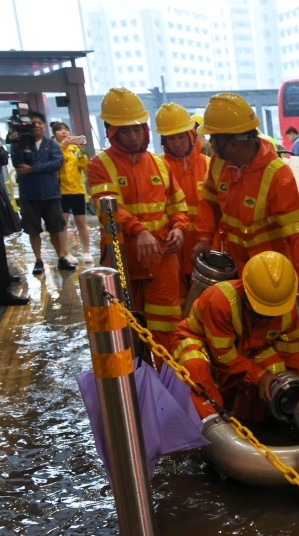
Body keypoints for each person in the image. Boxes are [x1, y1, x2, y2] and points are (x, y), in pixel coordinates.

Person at [194, 93, 299, 325]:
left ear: (231, 143)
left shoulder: (277, 175)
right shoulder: (220, 164)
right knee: (237, 329)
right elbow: (210, 202)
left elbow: (298, 233)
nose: (210, 144)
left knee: (278, 331)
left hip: (271, 275)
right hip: (235, 268)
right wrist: (203, 237)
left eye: (213, 138)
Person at [87, 88, 189, 355]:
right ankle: (135, 379)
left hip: (163, 261)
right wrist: (139, 230)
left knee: (167, 328)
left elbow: (177, 205)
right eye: (125, 131)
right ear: (112, 132)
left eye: (136, 129)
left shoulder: (160, 164)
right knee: (125, 332)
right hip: (123, 261)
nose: (133, 137)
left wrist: (179, 227)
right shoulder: (99, 165)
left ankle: (168, 379)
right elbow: (107, 207)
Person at [171, 251, 299, 420]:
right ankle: (210, 424)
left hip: (243, 349)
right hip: (203, 344)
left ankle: (248, 420)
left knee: (276, 368)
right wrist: (260, 376)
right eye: (260, 313)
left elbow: (295, 354)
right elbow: (223, 357)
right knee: (194, 366)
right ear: (246, 292)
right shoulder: (219, 301)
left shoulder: (284, 309)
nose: (265, 319)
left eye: (271, 315)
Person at [155, 102, 212, 298]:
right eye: (171, 138)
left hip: (206, 248)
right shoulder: (159, 168)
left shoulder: (209, 166)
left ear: (191, 135)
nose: (177, 143)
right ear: (164, 140)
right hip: (174, 248)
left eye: (181, 136)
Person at [11, 111, 75, 275]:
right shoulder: (21, 144)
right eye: (33, 123)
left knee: (56, 228)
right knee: (33, 230)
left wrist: (33, 169)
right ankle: (38, 260)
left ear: (44, 126)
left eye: (40, 123)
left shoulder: (51, 144)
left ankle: (61, 257)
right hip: (28, 195)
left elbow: (57, 163)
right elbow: (18, 164)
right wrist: (15, 143)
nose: (37, 126)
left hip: (50, 193)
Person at [50, 121, 92, 265]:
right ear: (54, 133)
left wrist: (82, 153)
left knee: (81, 222)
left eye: (66, 129)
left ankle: (86, 251)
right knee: (63, 223)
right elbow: (57, 163)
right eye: (60, 130)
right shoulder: (53, 147)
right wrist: (63, 146)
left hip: (77, 189)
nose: (64, 132)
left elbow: (84, 166)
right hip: (61, 190)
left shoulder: (75, 148)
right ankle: (65, 252)